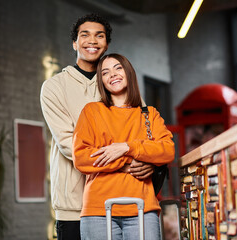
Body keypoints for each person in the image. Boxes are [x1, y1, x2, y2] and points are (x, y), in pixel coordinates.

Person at [40, 14, 154, 240]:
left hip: (126, 199)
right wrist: (126, 162)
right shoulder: (54, 87)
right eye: (85, 35)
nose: (92, 40)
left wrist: (149, 163)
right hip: (75, 205)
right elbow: (68, 144)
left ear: (107, 44)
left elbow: (146, 134)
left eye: (99, 36)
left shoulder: (122, 84)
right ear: (74, 43)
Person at [73, 53, 175, 240]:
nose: (112, 74)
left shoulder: (149, 114)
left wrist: (126, 147)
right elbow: (81, 158)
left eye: (118, 68)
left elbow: (167, 150)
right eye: (105, 72)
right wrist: (127, 164)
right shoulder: (91, 112)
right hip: (98, 210)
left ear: (129, 73)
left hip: (143, 208)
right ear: (102, 81)